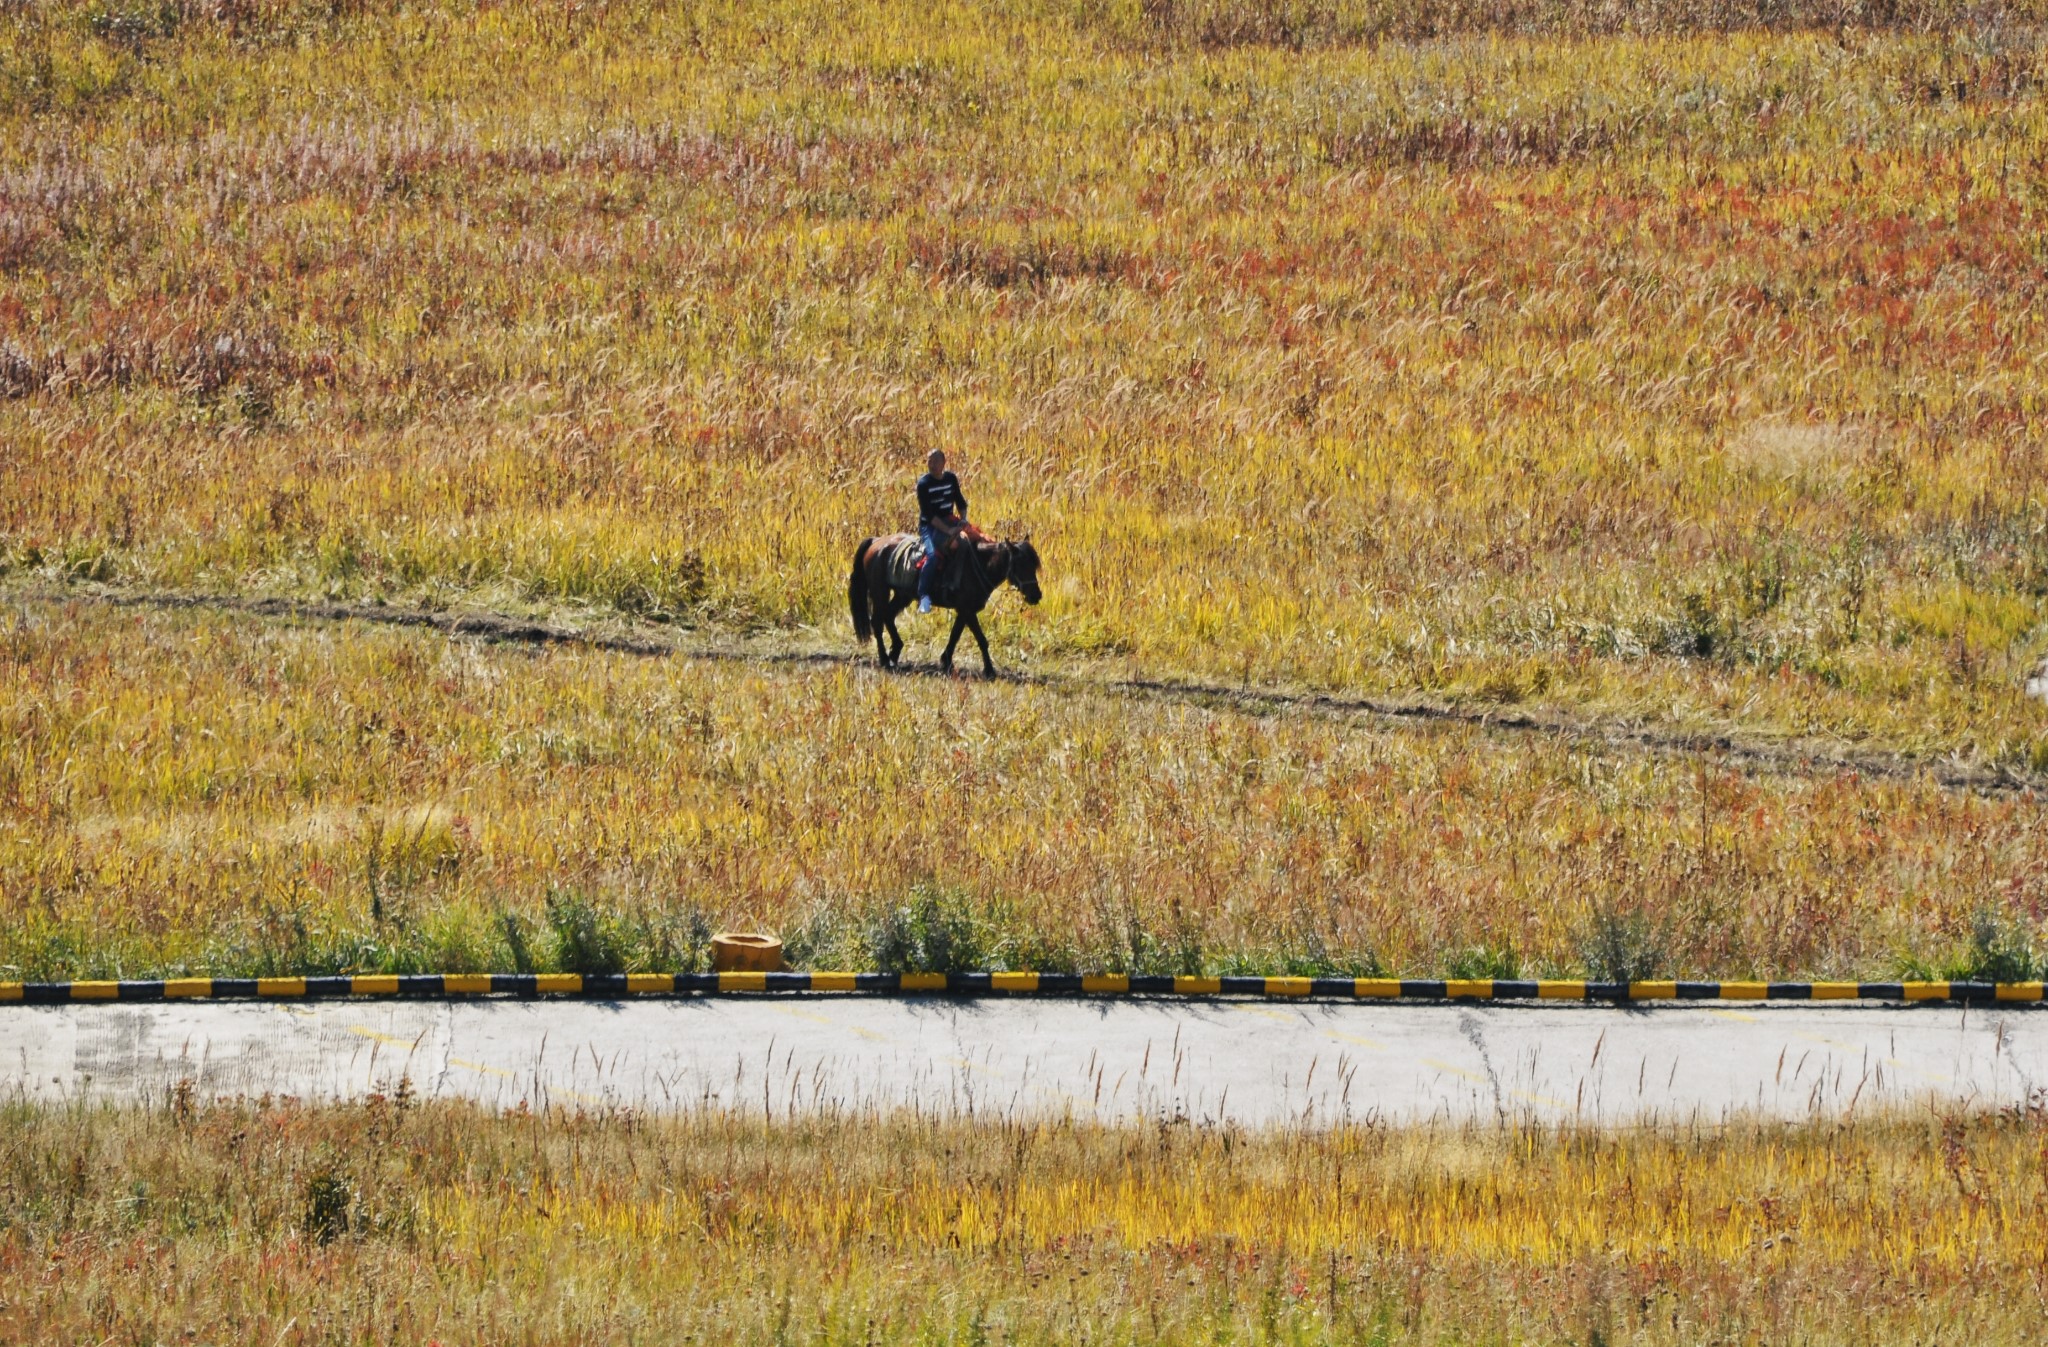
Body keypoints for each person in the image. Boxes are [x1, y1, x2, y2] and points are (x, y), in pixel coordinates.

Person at [916, 449, 970, 614]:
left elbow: (960, 502)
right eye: (929, 461)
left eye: (935, 461)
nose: (931, 465)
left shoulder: (950, 478)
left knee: (968, 543)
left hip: (949, 520)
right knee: (932, 556)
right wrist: (949, 530)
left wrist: (963, 518)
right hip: (930, 526)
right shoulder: (923, 484)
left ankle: (956, 583)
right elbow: (929, 515)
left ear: (943, 463)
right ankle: (923, 595)